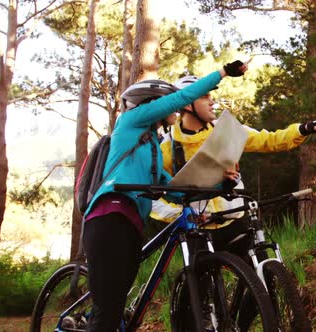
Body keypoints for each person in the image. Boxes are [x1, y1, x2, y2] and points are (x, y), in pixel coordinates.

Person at [81, 61, 248, 332]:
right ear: (152, 103)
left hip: (132, 225)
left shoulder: (154, 150)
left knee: (114, 308)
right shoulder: (129, 123)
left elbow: (177, 190)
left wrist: (221, 186)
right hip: (108, 218)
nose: (175, 106)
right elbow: (183, 97)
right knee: (108, 315)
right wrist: (223, 73)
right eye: (167, 101)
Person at [150, 74, 316, 256]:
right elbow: (151, 197)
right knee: (199, 283)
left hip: (232, 221)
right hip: (196, 232)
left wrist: (304, 128)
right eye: (205, 96)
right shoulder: (166, 148)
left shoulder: (227, 131)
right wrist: (180, 214)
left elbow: (269, 140)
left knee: (262, 272)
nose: (212, 101)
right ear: (187, 104)